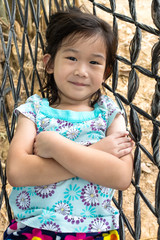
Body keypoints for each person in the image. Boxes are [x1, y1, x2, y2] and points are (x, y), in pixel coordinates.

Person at [4, 6, 134, 240]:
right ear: (50, 63)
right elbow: (17, 172)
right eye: (72, 58)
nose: (82, 71)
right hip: (35, 228)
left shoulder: (110, 114)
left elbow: (121, 176)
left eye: (94, 62)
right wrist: (96, 152)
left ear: (106, 72)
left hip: (96, 230)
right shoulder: (34, 110)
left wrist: (56, 147)